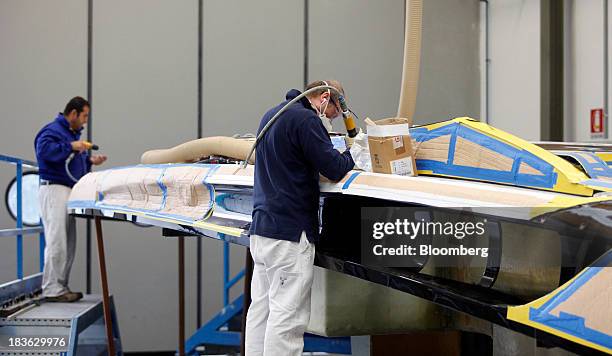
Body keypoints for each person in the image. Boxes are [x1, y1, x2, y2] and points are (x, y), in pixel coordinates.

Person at [245, 80, 355, 355]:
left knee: (261, 310)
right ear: (324, 98)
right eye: (332, 113)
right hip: (289, 235)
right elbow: (333, 168)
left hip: (262, 231)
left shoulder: (272, 115)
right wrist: (357, 152)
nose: (331, 119)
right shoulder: (305, 120)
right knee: (287, 318)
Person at [34, 96, 107, 302]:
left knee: (68, 241)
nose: (85, 121)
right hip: (54, 189)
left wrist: (89, 160)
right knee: (57, 240)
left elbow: (70, 161)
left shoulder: (68, 134)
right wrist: (70, 146)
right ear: (73, 113)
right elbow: (44, 151)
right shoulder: (53, 131)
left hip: (66, 189)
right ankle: (51, 288)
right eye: (84, 116)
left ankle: (60, 286)